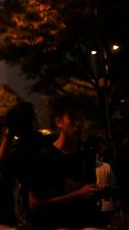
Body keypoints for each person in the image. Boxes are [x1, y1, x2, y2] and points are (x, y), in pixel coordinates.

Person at [29, 96, 103, 229]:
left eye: (82, 118)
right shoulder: (44, 157)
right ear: (59, 122)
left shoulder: (86, 154)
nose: (78, 123)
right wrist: (78, 195)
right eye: (72, 118)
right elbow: (35, 204)